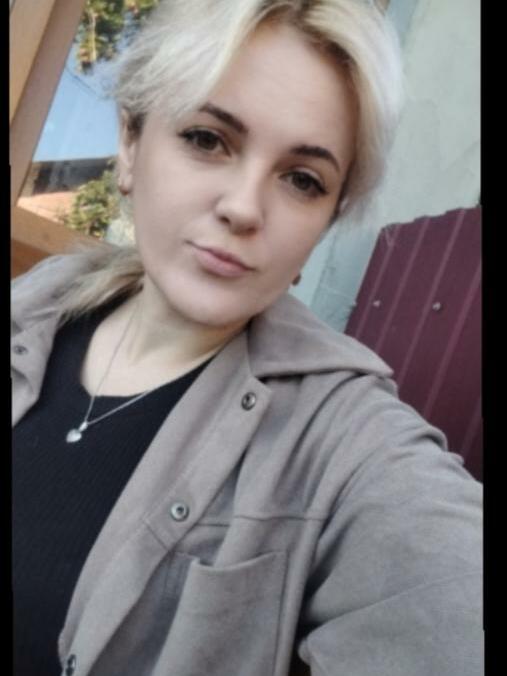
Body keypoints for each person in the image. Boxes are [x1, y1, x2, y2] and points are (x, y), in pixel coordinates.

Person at [12, 1, 483, 675]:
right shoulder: (36, 305)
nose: (243, 207)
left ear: (326, 221)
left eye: (302, 180)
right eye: (207, 139)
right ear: (131, 143)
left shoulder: (342, 438)